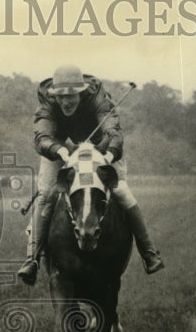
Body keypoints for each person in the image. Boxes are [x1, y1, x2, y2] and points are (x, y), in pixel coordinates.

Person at [17, 64, 164, 285]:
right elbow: (41, 137)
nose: (66, 102)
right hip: (61, 147)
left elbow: (114, 132)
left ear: (83, 92)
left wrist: (107, 157)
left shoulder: (98, 97)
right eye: (61, 97)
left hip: (102, 145)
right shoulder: (47, 100)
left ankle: (149, 253)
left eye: (72, 96)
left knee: (120, 189)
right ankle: (32, 259)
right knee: (47, 193)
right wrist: (62, 151)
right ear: (54, 95)